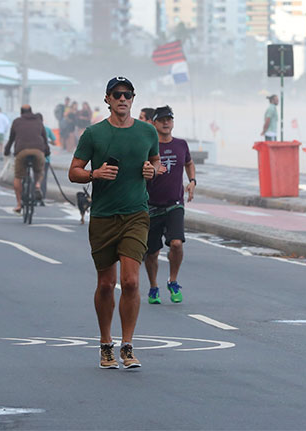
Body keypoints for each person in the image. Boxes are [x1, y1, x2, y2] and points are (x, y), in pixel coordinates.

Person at [68, 76, 160, 369]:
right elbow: (74, 171)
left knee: (131, 281)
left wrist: (152, 170)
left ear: (134, 99)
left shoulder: (147, 132)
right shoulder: (93, 134)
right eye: (117, 94)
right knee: (106, 284)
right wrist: (94, 174)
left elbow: (157, 162)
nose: (123, 99)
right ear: (107, 99)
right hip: (104, 216)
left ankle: (128, 345)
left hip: (136, 214)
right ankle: (106, 343)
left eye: (128, 95)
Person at [144, 106, 196, 305]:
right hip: (151, 205)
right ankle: (153, 286)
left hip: (175, 204)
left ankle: (173, 280)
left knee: (176, 243)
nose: (166, 123)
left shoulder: (181, 144)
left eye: (169, 119)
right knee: (152, 252)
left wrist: (192, 181)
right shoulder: (149, 146)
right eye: (162, 120)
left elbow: (189, 163)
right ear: (154, 123)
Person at [4, 105, 49, 213]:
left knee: (18, 177)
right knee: (39, 171)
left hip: (21, 151)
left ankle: (19, 204)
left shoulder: (16, 122)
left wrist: (6, 151)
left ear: (21, 112)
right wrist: (46, 152)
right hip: (38, 150)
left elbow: (11, 139)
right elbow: (44, 138)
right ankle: (37, 184)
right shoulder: (39, 122)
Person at [36, 112, 56, 204]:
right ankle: (42, 198)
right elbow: (55, 142)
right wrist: (48, 141)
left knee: (34, 177)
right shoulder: (47, 129)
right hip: (46, 158)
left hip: (34, 157)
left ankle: (33, 196)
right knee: (44, 178)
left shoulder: (33, 129)